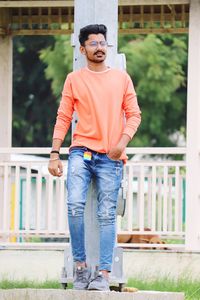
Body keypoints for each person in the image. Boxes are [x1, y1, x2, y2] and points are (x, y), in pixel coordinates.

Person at [48, 24, 141, 291]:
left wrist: (120, 144)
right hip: (81, 151)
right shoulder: (74, 79)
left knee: (107, 214)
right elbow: (64, 117)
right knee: (75, 205)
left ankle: (103, 274)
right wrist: (54, 153)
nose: (99, 48)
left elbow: (134, 114)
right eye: (93, 43)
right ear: (82, 48)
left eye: (103, 43)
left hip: (111, 156)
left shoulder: (121, 78)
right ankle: (80, 268)